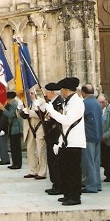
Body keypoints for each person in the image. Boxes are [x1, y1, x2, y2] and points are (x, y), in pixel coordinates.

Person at [44, 77, 85, 206]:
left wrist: (51, 111)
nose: (60, 91)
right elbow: (64, 126)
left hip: (74, 141)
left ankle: (74, 196)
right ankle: (67, 194)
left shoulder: (77, 102)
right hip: (66, 141)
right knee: (65, 169)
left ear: (67, 89)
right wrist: (60, 142)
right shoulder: (68, 102)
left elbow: (67, 120)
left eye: (62, 89)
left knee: (73, 170)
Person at [43, 83, 64, 196]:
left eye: (47, 92)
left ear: (51, 92)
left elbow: (57, 121)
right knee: (51, 161)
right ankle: (55, 183)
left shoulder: (59, 103)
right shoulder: (52, 103)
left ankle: (58, 185)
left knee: (55, 161)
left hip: (55, 136)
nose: (45, 94)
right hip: (50, 135)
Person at [20, 90, 47, 180]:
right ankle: (33, 170)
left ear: (35, 93)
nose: (29, 95)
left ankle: (42, 172)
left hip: (39, 128)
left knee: (40, 150)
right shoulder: (25, 103)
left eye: (31, 93)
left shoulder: (41, 101)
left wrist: (30, 113)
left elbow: (42, 115)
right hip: (29, 128)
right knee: (30, 150)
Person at [80, 84, 102, 193]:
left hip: (88, 136)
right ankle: (97, 184)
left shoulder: (85, 103)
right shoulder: (97, 103)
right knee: (95, 161)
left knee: (88, 162)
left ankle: (91, 185)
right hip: (97, 135)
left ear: (83, 92)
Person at [0, 91, 22, 169]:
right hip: (13, 128)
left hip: (16, 128)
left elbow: (11, 115)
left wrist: (3, 109)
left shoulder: (14, 104)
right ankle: (15, 163)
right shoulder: (12, 104)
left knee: (16, 147)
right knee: (13, 147)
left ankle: (17, 163)